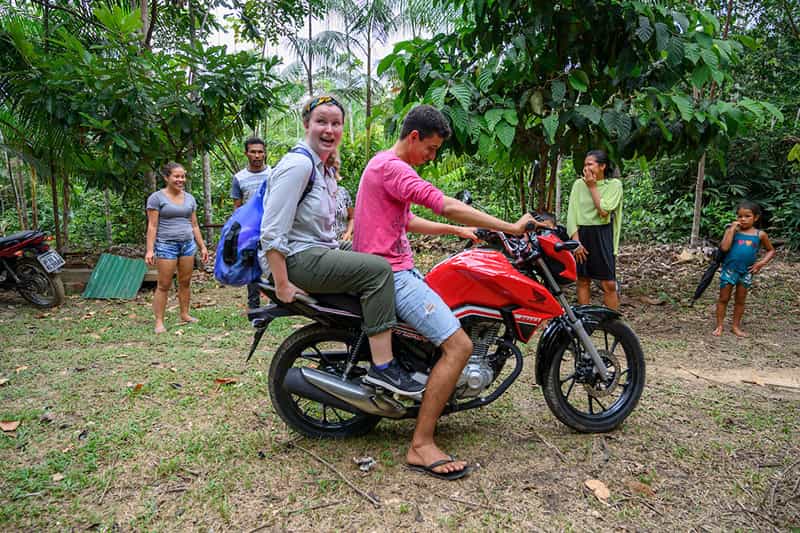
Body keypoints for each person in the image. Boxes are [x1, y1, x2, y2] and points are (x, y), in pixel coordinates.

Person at [353, 104, 540, 480]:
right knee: (460, 346)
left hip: (396, 268)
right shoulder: (394, 168)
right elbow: (447, 205)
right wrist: (511, 227)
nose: (432, 157)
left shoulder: (381, 164)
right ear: (414, 137)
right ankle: (421, 444)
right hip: (392, 275)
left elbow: (405, 219)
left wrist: (457, 234)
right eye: (432, 149)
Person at [258, 94, 400, 387]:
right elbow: (272, 229)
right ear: (306, 123)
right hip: (297, 258)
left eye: (336, 123)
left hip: (318, 249)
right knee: (378, 270)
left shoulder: (323, 166)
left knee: (380, 254)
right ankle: (384, 368)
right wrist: (282, 284)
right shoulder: (298, 165)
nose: (329, 129)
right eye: (321, 121)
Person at [145, 162, 209, 334]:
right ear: (167, 177)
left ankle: (185, 314)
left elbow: (194, 225)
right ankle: (159, 321)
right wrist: (150, 250)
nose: (181, 180)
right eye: (177, 176)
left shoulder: (190, 198)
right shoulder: (157, 198)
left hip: (187, 244)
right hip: (166, 245)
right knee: (164, 284)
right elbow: (152, 226)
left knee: (185, 282)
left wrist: (202, 246)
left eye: (183, 176)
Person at [566, 149, 623, 309]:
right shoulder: (578, 185)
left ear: (602, 166)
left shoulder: (614, 185)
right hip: (583, 234)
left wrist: (592, 186)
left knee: (609, 283)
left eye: (590, 164)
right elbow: (572, 215)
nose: (586, 168)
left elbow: (604, 211)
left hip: (603, 234)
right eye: (585, 165)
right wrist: (575, 242)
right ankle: (585, 322)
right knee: (583, 280)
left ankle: (614, 326)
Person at [712, 200, 774, 337]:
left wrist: (760, 263)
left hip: (746, 271)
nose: (743, 219)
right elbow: (725, 247)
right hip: (730, 269)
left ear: (756, 218)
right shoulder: (731, 230)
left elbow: (770, 250)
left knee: (740, 299)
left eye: (747, 216)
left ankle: (735, 326)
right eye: (740, 216)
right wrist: (732, 230)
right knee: (723, 298)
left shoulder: (760, 235)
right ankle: (719, 326)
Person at [231, 137, 271, 309]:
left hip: (272, 224)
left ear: (265, 153)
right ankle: (253, 303)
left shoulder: (273, 173)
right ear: (246, 153)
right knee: (251, 264)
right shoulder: (239, 178)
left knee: (273, 261)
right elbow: (238, 207)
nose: (257, 155)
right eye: (253, 152)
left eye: (260, 151)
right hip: (250, 228)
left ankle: (275, 299)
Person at [327, 150, 355, 250]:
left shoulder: (343, 192)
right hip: (326, 244)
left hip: (343, 240)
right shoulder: (316, 192)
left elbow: (352, 217)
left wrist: (348, 232)